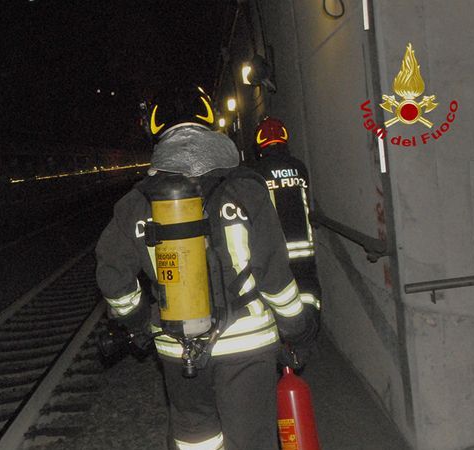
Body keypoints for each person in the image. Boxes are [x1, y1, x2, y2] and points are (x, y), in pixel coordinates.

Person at [95, 85, 318, 450]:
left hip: (177, 346)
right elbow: (274, 274)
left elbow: (112, 276)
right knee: (250, 441)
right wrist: (296, 327)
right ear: (209, 122)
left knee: (195, 438)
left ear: (155, 131)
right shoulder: (246, 188)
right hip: (247, 345)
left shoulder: (136, 202)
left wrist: (137, 321)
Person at [249, 117, 322, 319]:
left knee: (279, 294)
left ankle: (288, 332)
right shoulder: (299, 167)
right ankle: (309, 330)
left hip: (276, 251)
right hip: (304, 249)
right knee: (308, 292)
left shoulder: (256, 173)